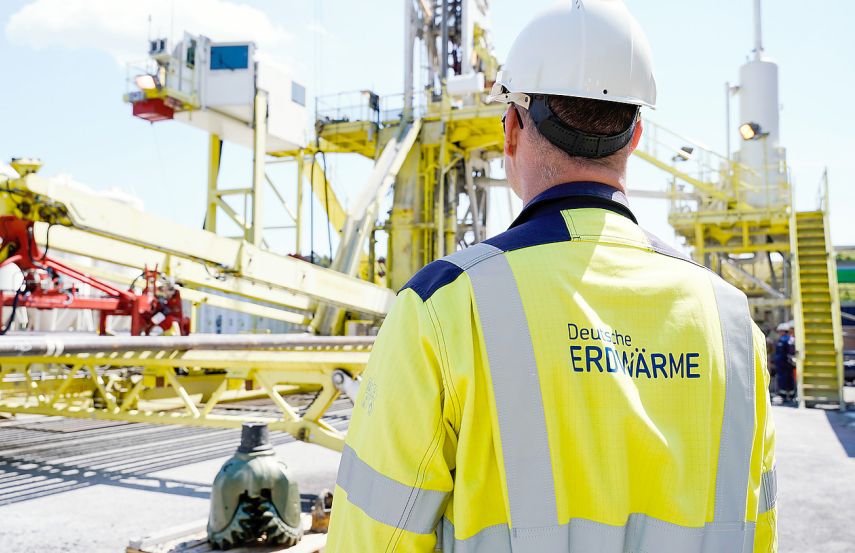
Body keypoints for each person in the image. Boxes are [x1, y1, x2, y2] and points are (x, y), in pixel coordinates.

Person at [326, 1, 777, 552]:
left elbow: (375, 538)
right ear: (635, 135)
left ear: (512, 128)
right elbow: (760, 528)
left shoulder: (443, 308)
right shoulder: (733, 325)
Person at [774, 322, 796, 402]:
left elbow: (790, 352)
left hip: (784, 364)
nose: (779, 333)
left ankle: (784, 395)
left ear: (783, 331)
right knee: (788, 379)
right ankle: (790, 395)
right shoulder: (789, 339)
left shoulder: (784, 340)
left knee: (784, 379)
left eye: (780, 331)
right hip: (785, 364)